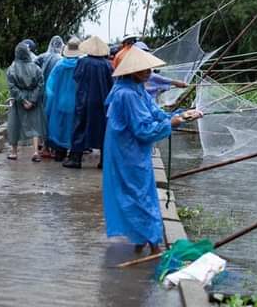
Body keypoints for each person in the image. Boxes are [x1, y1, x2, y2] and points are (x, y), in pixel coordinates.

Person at [102, 46, 202, 253]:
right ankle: (153, 242)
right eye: (144, 70)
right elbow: (143, 130)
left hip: (136, 151)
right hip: (127, 152)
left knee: (142, 192)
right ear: (132, 72)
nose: (149, 73)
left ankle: (142, 238)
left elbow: (155, 113)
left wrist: (183, 115)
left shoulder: (137, 89)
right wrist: (171, 124)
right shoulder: (126, 94)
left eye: (150, 69)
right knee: (138, 194)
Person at [64, 35, 114, 169]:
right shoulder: (107, 65)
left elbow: (77, 78)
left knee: (80, 126)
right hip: (103, 101)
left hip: (85, 100)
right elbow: (112, 83)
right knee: (103, 129)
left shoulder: (83, 62)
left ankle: (75, 159)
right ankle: (104, 161)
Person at [6, 41, 46, 161]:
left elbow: (12, 86)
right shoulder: (36, 68)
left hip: (18, 100)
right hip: (33, 99)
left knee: (15, 124)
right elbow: (40, 84)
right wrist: (32, 100)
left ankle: (14, 152)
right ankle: (35, 152)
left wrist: (22, 100)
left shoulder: (12, 68)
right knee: (35, 125)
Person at [45, 37, 83, 162]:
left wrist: (51, 100)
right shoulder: (81, 65)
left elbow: (50, 85)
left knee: (60, 126)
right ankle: (72, 153)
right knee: (73, 127)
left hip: (60, 100)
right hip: (76, 101)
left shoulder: (60, 65)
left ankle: (59, 153)